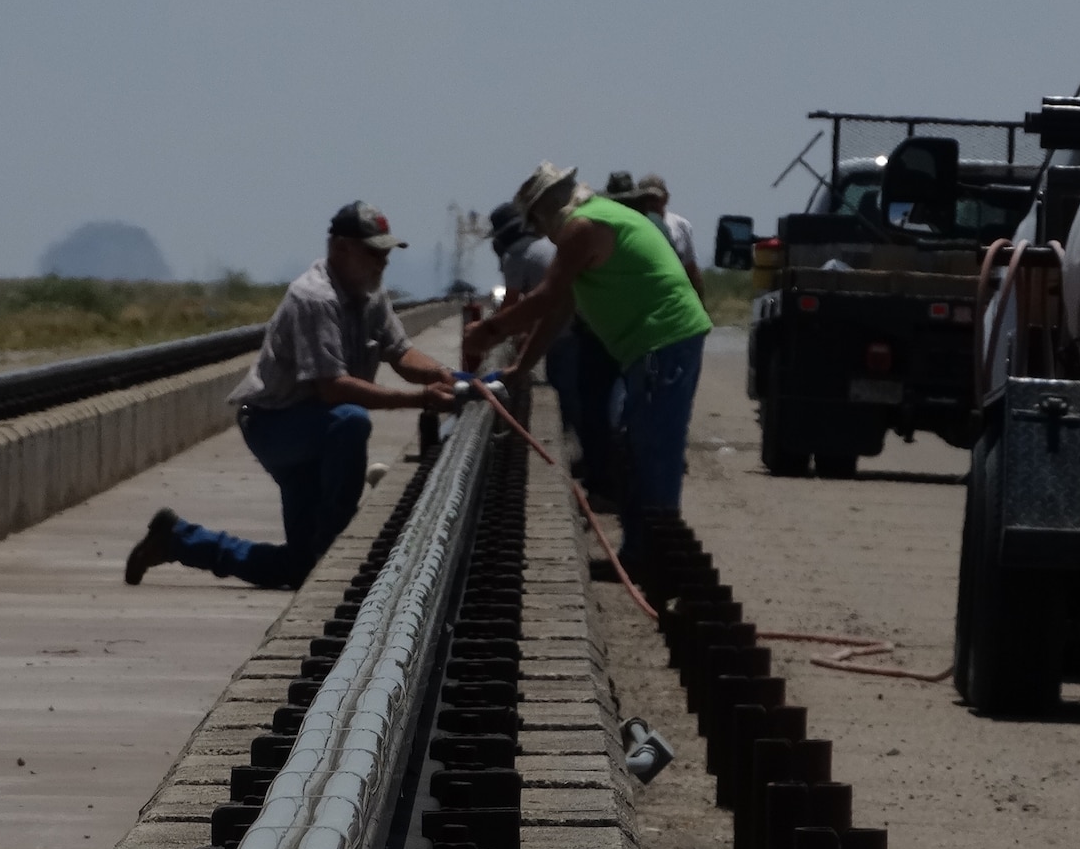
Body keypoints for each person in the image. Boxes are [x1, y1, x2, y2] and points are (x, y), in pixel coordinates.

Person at [124, 202, 454, 590]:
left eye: (386, 253)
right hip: (277, 424)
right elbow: (332, 387)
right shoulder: (314, 298)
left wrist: (440, 374)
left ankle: (179, 540)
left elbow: (399, 351)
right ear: (341, 248)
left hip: (317, 427)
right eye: (373, 252)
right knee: (352, 421)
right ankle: (336, 552)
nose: (382, 262)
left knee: (300, 567)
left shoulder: (370, 295)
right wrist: (417, 400)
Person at [463, 164, 712, 574]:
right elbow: (560, 308)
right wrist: (522, 366)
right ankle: (644, 550)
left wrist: (490, 331)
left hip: (662, 340)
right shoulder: (595, 221)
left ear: (546, 210)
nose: (542, 232)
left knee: (651, 448)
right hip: (654, 342)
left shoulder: (582, 226)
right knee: (638, 444)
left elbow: (544, 297)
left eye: (539, 222)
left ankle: (654, 557)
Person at [487, 200, 585, 448]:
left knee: (563, 387)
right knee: (576, 391)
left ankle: (569, 445)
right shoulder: (545, 245)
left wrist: (491, 335)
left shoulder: (515, 257)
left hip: (559, 329)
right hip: (577, 323)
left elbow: (511, 305)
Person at [636, 173, 707, 303]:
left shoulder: (680, 226)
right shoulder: (633, 225)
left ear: (666, 198)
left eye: (655, 198)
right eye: (646, 198)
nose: (651, 203)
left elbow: (690, 268)